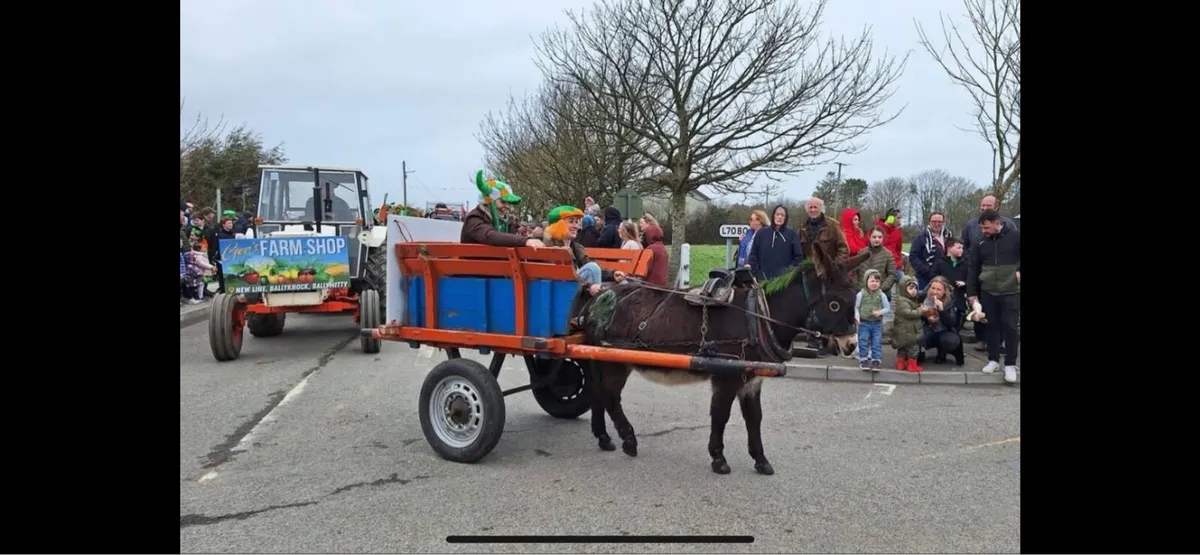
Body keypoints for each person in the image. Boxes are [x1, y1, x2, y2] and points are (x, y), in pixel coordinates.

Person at [966, 209, 1020, 384]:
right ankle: (993, 360)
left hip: (1011, 289)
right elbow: (973, 268)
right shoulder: (979, 241)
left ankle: (1011, 364)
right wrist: (972, 294)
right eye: (982, 228)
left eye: (987, 227)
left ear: (997, 223)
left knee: (1011, 326)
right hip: (988, 290)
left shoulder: (1015, 236)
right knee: (992, 326)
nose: (984, 231)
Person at [960, 195, 1017, 351]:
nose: (985, 208)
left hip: (1002, 276)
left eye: (988, 206)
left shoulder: (1009, 225)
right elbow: (963, 245)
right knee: (979, 307)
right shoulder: (970, 225)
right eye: (983, 205)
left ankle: (1001, 342)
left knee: (1001, 313)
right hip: (977, 270)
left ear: (996, 207)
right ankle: (981, 339)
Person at [542, 205, 627, 296]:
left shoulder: (575, 246)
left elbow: (586, 264)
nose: (576, 226)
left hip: (573, 287)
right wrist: (588, 287)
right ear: (558, 224)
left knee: (621, 283)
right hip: (561, 291)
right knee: (592, 268)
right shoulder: (551, 245)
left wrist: (612, 274)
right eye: (571, 222)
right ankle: (595, 309)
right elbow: (566, 277)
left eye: (577, 222)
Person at [460, 170, 545, 248]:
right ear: (489, 201)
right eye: (503, 202)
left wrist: (538, 238)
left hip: (502, 263)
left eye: (509, 203)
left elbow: (516, 237)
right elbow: (490, 236)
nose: (508, 206)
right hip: (478, 264)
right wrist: (525, 241)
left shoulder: (509, 221)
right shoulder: (475, 218)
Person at [745, 204, 802, 279]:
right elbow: (753, 255)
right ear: (773, 216)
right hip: (762, 279)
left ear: (785, 218)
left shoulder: (792, 235)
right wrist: (756, 271)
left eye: (782, 215)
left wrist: (788, 272)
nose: (780, 217)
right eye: (777, 214)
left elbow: (798, 258)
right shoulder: (761, 233)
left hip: (783, 282)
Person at [917, 276, 964, 366]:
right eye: (933, 288)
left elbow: (953, 324)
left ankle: (942, 353)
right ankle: (921, 352)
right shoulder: (921, 297)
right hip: (927, 329)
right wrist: (925, 317)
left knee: (950, 340)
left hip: (944, 331)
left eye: (939, 289)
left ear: (944, 291)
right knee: (918, 336)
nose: (934, 292)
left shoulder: (951, 301)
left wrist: (942, 310)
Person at [854, 269, 891, 371]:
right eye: (872, 281)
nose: (874, 284)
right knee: (863, 340)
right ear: (866, 281)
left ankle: (876, 360)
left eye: (877, 281)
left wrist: (880, 312)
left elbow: (887, 308)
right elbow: (856, 307)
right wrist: (857, 317)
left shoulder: (881, 295)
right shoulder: (861, 294)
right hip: (864, 322)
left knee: (876, 341)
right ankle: (863, 359)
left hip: (877, 323)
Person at [908, 211, 951, 292]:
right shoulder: (921, 238)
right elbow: (913, 256)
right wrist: (925, 270)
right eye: (934, 221)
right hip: (924, 277)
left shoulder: (949, 237)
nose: (937, 224)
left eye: (939, 221)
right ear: (929, 222)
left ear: (943, 222)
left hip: (944, 276)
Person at [798, 197, 850, 263]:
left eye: (815, 207)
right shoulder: (802, 228)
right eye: (810, 207)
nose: (813, 210)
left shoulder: (833, 225)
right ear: (807, 210)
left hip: (829, 268)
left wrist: (836, 265)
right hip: (810, 269)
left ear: (821, 209)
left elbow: (843, 248)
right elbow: (799, 251)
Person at [892, 276, 924, 373]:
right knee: (913, 348)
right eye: (911, 288)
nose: (914, 291)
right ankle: (912, 365)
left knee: (902, 348)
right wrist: (920, 310)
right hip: (909, 330)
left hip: (903, 329)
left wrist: (918, 306)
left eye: (915, 288)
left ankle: (900, 364)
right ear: (903, 288)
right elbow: (909, 313)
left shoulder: (905, 299)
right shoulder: (903, 301)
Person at [933, 237, 968, 325]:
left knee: (957, 323)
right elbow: (933, 277)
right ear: (949, 248)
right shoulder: (940, 262)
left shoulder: (965, 262)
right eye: (958, 248)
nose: (961, 250)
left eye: (962, 248)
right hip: (944, 299)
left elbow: (971, 277)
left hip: (959, 299)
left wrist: (965, 283)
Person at [854, 227, 898, 297]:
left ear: (883, 238)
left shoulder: (888, 254)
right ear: (869, 237)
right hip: (862, 292)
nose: (877, 239)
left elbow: (892, 275)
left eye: (880, 237)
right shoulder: (861, 252)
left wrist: (880, 289)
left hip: (881, 293)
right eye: (874, 237)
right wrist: (858, 287)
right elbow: (855, 272)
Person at [874, 208, 906, 286]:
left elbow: (898, 250)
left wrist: (899, 264)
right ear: (890, 218)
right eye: (898, 218)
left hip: (895, 265)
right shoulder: (877, 230)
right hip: (880, 265)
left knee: (905, 283)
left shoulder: (897, 233)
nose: (899, 221)